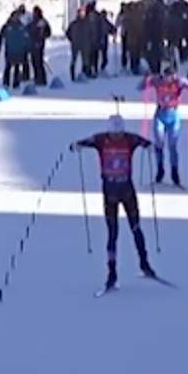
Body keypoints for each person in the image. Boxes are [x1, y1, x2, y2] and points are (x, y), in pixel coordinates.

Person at [70, 114, 158, 291]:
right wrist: (76, 146)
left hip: (127, 191)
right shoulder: (101, 139)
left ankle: (145, 264)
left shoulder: (129, 139)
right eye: (114, 133)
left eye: (119, 133)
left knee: (136, 228)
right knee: (112, 233)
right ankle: (112, 274)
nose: (117, 136)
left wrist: (149, 146)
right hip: (110, 193)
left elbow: (144, 142)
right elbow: (84, 142)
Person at [139, 66, 188, 187]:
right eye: (167, 76)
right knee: (159, 143)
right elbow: (140, 87)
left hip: (173, 115)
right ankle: (160, 170)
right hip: (160, 115)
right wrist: (145, 79)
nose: (169, 79)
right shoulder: (157, 80)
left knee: (172, 145)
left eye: (171, 76)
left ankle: (174, 172)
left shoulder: (179, 82)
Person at [0, 9, 31, 89]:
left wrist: (27, 47)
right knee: (8, 66)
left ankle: (16, 83)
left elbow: (26, 37)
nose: (16, 17)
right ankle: (6, 83)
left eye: (18, 16)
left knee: (17, 67)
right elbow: (1, 36)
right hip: (9, 49)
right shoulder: (6, 26)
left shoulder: (21, 26)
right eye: (15, 16)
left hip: (19, 50)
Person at [28, 5, 51, 85]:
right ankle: (37, 78)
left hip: (39, 44)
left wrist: (42, 36)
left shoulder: (42, 22)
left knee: (39, 62)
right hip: (32, 45)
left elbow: (48, 33)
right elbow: (28, 30)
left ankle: (42, 79)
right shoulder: (32, 22)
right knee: (34, 62)